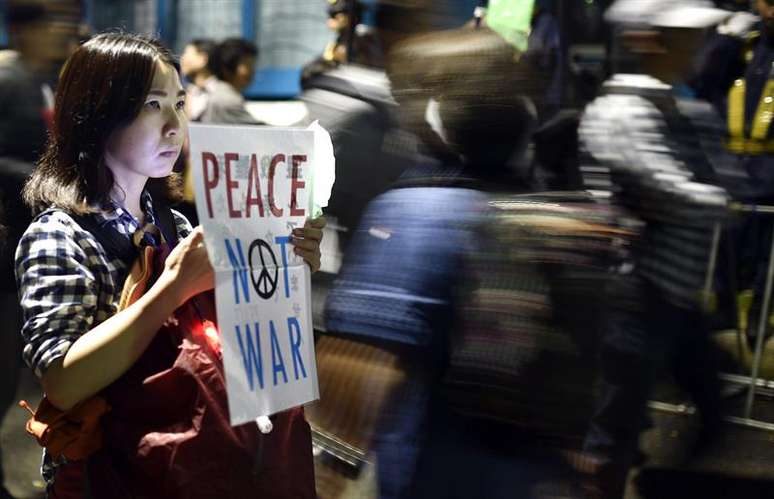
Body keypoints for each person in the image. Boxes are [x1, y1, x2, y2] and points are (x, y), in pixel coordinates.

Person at [15, 32, 323, 498]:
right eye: (151, 105)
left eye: (179, 103)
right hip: (114, 472)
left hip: (182, 462)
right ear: (96, 114)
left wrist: (285, 267)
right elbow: (62, 380)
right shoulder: (60, 234)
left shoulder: (172, 222)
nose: (175, 125)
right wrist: (173, 289)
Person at [580, 2, 734, 497]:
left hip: (672, 294)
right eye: (681, 36)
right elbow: (668, 192)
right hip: (635, 291)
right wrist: (719, 201)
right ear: (647, 41)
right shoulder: (623, 111)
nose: (697, 46)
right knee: (613, 427)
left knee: (707, 407)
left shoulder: (681, 108)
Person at [198, 37, 261, 125]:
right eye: (247, 65)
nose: (252, 71)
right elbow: (259, 132)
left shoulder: (220, 92)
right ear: (226, 68)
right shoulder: (227, 100)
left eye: (252, 65)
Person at [179, 38, 215, 122]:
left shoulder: (219, 93)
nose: (182, 59)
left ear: (203, 59)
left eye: (186, 53)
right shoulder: (188, 91)